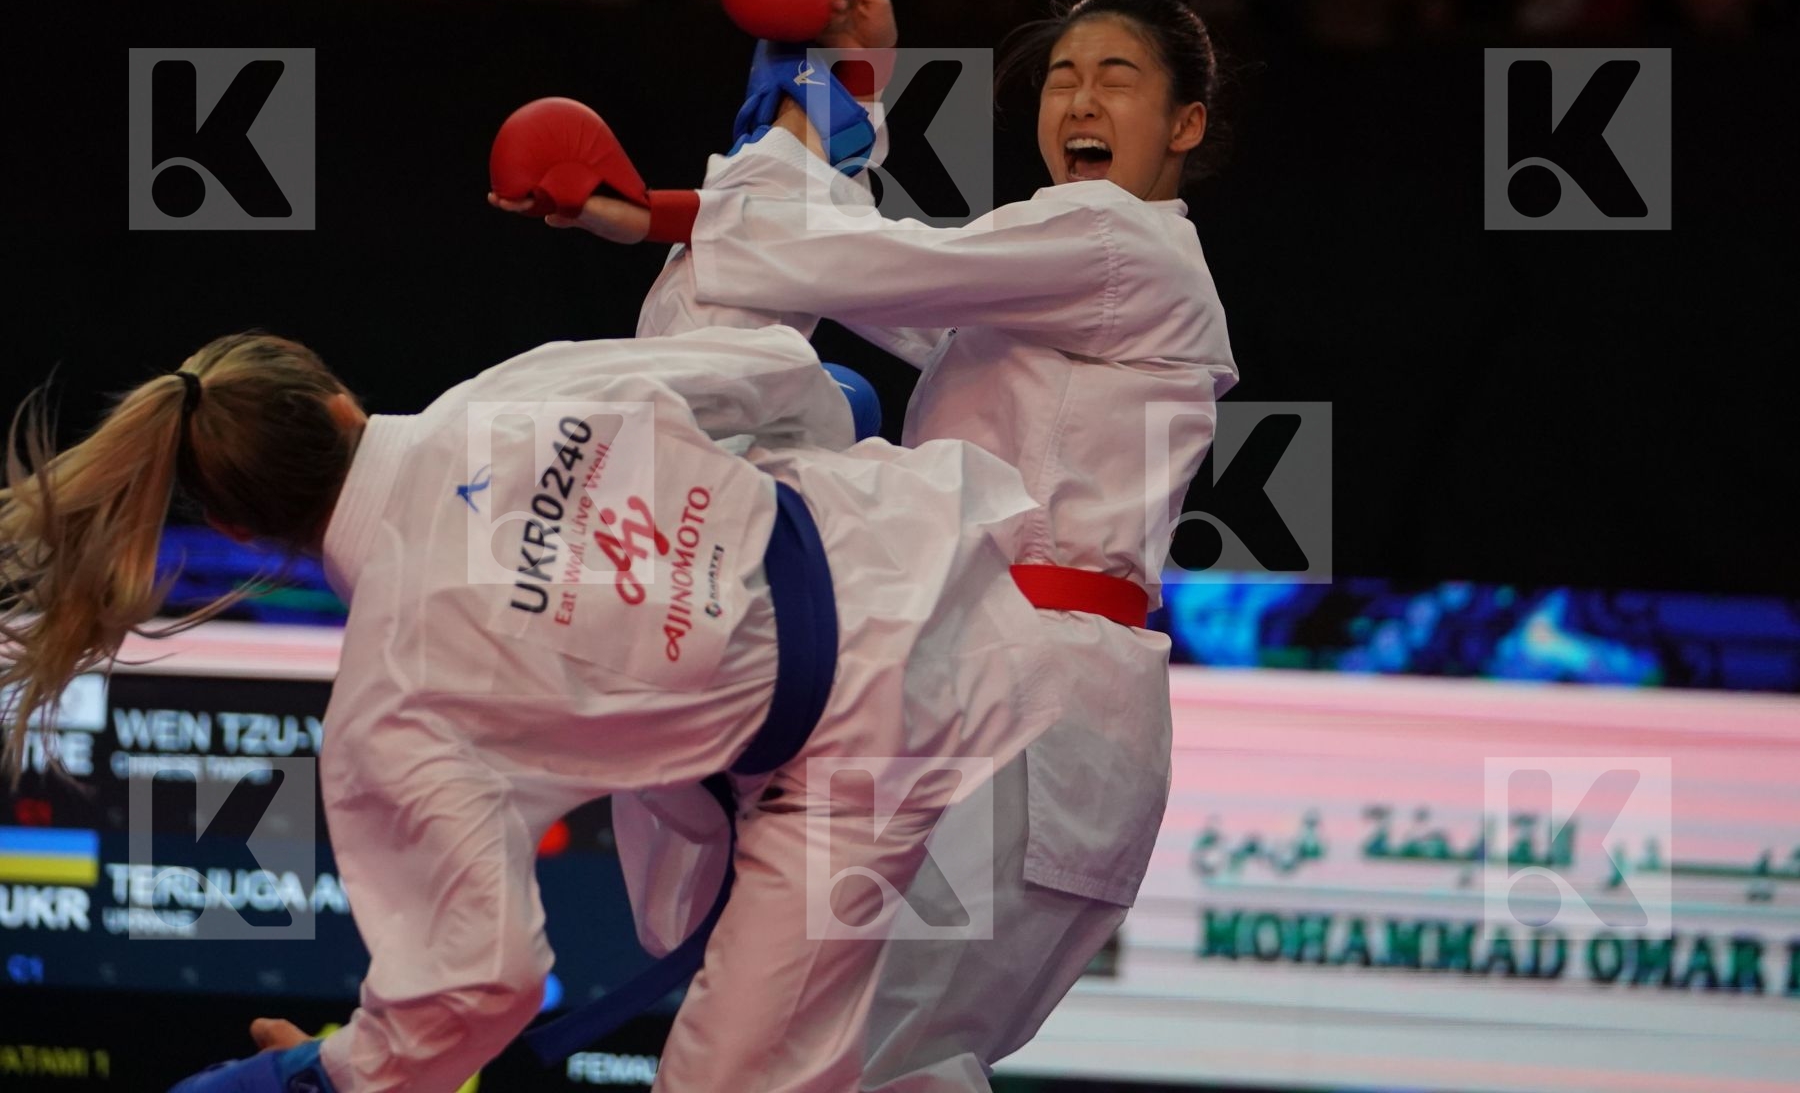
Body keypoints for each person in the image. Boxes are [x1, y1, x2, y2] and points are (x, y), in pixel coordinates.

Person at [490, 0, 1244, 1086]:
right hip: (1037, 718)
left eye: (1116, 80)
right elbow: (879, 274)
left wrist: (777, 125)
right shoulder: (1065, 285)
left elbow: (870, 264)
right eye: (1061, 80)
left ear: (1186, 123)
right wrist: (821, 107)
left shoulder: (1119, 244)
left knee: (845, 1053)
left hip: (1016, 705)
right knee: (885, 1060)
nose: (1081, 103)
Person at [0, 324, 1063, 1092]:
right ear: (335, 399)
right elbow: (791, 378)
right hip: (947, 560)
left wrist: (313, 1082)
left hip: (856, 770)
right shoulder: (511, 387)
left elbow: (479, 987)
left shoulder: (388, 708)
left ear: (242, 532)